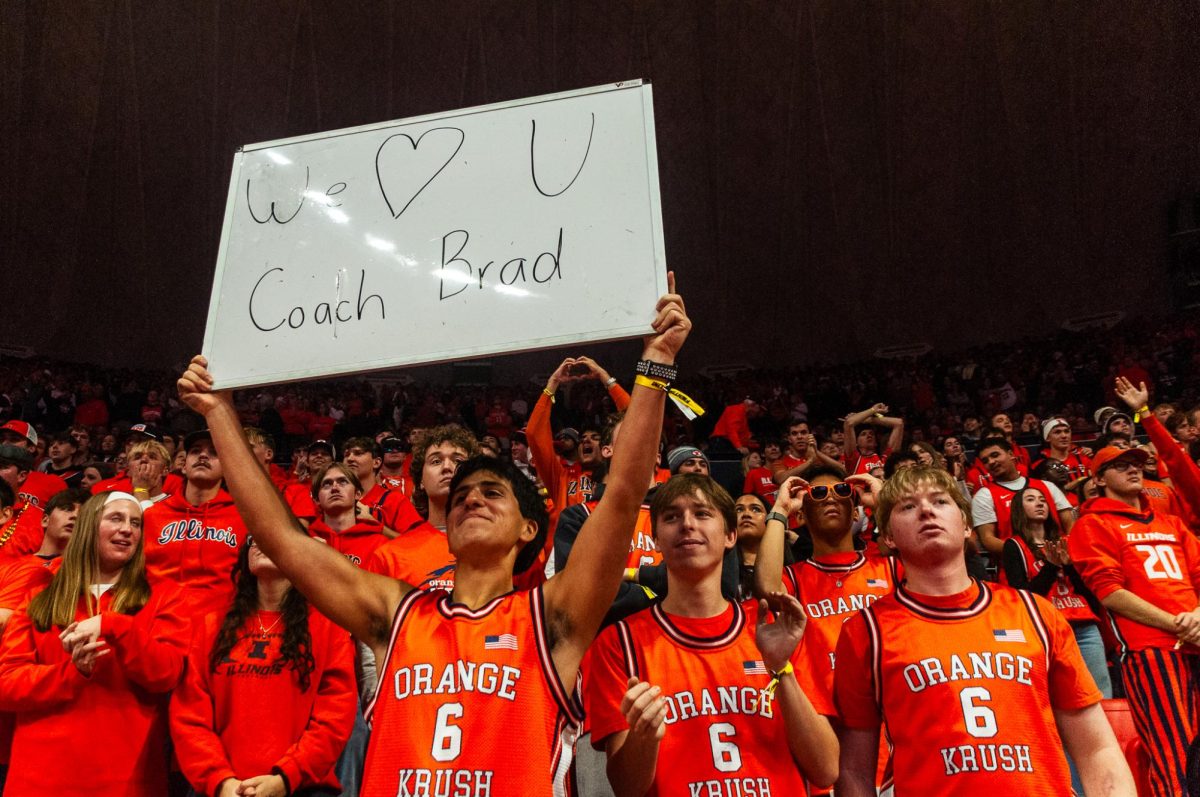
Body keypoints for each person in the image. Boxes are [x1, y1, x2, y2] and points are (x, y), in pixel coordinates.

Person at [176, 274, 690, 795]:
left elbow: (624, 491)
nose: (471, 498)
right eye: (464, 493)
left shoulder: (553, 616)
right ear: (445, 537)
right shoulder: (398, 614)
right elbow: (283, 539)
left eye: (493, 493)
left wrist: (657, 364)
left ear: (528, 529)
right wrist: (218, 412)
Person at [834, 465, 1134, 795]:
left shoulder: (1035, 613)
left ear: (966, 526)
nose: (926, 511)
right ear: (888, 536)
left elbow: (1097, 750)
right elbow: (855, 771)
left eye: (940, 501)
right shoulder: (865, 631)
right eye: (908, 506)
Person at [586, 474, 839, 796]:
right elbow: (627, 789)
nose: (687, 524)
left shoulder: (778, 627)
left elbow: (826, 769)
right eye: (672, 517)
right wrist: (643, 737)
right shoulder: (618, 642)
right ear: (656, 540)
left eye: (702, 514)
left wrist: (781, 669)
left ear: (730, 535)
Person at [0, 491, 188, 795]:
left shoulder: (164, 594)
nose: (128, 529)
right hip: (39, 778)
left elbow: (165, 675)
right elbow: (7, 685)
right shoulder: (40, 589)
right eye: (116, 518)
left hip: (126, 780)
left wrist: (114, 625)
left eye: (136, 523)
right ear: (88, 525)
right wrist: (71, 673)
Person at [170, 533, 357, 797]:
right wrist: (221, 781)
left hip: (301, 788)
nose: (260, 540)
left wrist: (285, 777)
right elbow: (189, 716)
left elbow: (333, 720)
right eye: (253, 538)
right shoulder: (211, 626)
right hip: (222, 789)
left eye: (268, 533)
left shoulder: (328, 627)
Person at [755, 466, 898, 793]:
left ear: (856, 509)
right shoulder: (795, 578)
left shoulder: (889, 566)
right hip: (825, 733)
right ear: (802, 515)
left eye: (841, 492)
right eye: (817, 494)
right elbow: (765, 586)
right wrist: (779, 510)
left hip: (892, 724)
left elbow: (920, 545)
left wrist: (884, 501)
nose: (830, 497)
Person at [1069, 445, 1200, 797]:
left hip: (1196, 641)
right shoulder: (1091, 525)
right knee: (1176, 757)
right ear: (1098, 478)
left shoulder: (1171, 523)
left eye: (1137, 464)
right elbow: (1110, 593)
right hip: (1152, 653)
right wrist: (1179, 624)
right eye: (1121, 466)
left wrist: (1198, 619)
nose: (1133, 470)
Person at [142, 429, 249, 618]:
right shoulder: (153, 515)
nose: (203, 455)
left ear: (227, 468)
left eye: (214, 452)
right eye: (195, 451)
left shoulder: (242, 518)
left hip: (218, 626)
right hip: (156, 624)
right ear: (184, 466)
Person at [970, 436, 1074, 557]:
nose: (991, 462)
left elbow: (1070, 524)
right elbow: (987, 539)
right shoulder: (983, 496)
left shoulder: (1047, 486)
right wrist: (1027, 554)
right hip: (1017, 568)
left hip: (1060, 561)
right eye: (985, 461)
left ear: (1011, 454)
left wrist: (1063, 549)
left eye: (995, 455)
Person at [842, 403, 904, 476]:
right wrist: (873, 410)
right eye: (863, 434)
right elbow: (849, 423)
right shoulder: (853, 460)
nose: (869, 435)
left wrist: (866, 420)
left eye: (871, 433)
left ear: (876, 443)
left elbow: (899, 423)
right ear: (856, 443)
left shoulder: (885, 460)